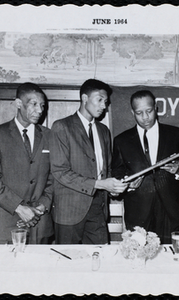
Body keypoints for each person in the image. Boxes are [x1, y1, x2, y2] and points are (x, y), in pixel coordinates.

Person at [49, 79, 128, 244]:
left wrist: (113, 188)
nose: (103, 106)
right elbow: (60, 172)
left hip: (99, 207)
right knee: (68, 263)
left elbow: (106, 169)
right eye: (99, 100)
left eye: (105, 102)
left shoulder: (103, 131)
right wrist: (100, 184)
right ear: (84, 98)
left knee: (99, 259)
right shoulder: (62, 127)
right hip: (69, 211)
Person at [112, 90, 179, 244]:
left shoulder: (175, 135)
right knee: (140, 262)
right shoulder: (121, 141)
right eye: (139, 113)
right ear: (132, 112)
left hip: (171, 213)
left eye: (149, 111)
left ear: (156, 108)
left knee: (170, 262)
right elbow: (117, 173)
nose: (145, 117)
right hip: (138, 215)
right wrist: (128, 185)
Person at [0, 82, 54, 244]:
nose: (40, 110)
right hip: (5, 224)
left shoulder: (49, 136)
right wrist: (19, 208)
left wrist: (43, 205)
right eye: (34, 104)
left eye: (42, 105)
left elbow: (54, 176)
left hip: (40, 224)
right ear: (18, 104)